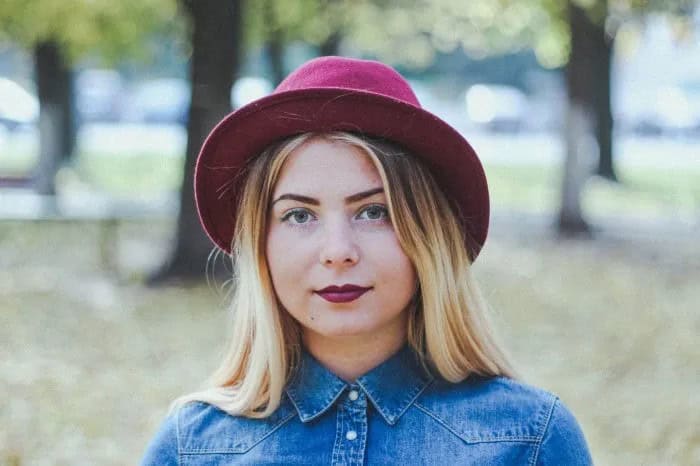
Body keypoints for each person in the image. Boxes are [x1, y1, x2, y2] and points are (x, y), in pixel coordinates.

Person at [140, 56, 593, 465]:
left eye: (375, 212)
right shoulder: (191, 449)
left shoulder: (529, 441)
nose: (338, 251)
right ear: (261, 243)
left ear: (429, 234)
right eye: (299, 215)